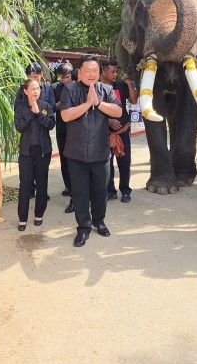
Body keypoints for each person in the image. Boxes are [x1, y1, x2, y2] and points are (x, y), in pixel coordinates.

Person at [59, 56, 122, 247]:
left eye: (95, 70)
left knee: (100, 192)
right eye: (87, 70)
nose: (91, 74)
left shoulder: (107, 90)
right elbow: (65, 115)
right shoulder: (69, 89)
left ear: (99, 72)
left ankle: (99, 221)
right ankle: (83, 227)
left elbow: (118, 112)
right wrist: (87, 104)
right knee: (80, 193)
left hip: (100, 152)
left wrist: (98, 103)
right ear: (79, 72)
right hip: (76, 152)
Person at [14, 78, 56, 231]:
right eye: (32, 89)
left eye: (38, 88)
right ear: (25, 91)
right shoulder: (20, 107)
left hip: (43, 151)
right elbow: (19, 127)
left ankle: (39, 214)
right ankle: (22, 218)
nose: (36, 91)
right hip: (26, 151)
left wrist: (39, 114)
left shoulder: (46, 106)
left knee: (42, 183)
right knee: (25, 184)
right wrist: (32, 114)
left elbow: (51, 125)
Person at [101, 59, 136, 203]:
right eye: (112, 72)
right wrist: (108, 121)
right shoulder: (97, 88)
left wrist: (129, 83)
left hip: (123, 131)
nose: (115, 74)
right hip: (104, 133)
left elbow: (134, 101)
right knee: (107, 163)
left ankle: (125, 191)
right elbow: (94, 109)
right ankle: (110, 191)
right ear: (103, 72)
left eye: (117, 71)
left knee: (124, 162)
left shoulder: (121, 85)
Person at [52, 63, 75, 205]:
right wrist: (63, 101)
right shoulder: (55, 88)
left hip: (76, 129)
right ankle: (68, 185)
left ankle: (76, 188)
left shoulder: (78, 87)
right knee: (64, 159)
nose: (64, 80)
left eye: (67, 77)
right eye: (62, 77)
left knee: (75, 160)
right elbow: (52, 108)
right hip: (62, 129)